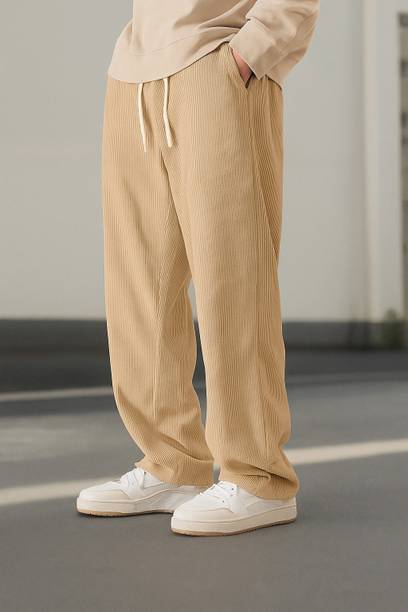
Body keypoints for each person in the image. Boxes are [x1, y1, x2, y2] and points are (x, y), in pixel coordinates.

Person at [77, 0, 320, 536]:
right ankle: (172, 463)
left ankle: (259, 477)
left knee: (233, 278)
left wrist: (252, 51)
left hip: (217, 64)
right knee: (140, 285)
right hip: (134, 73)